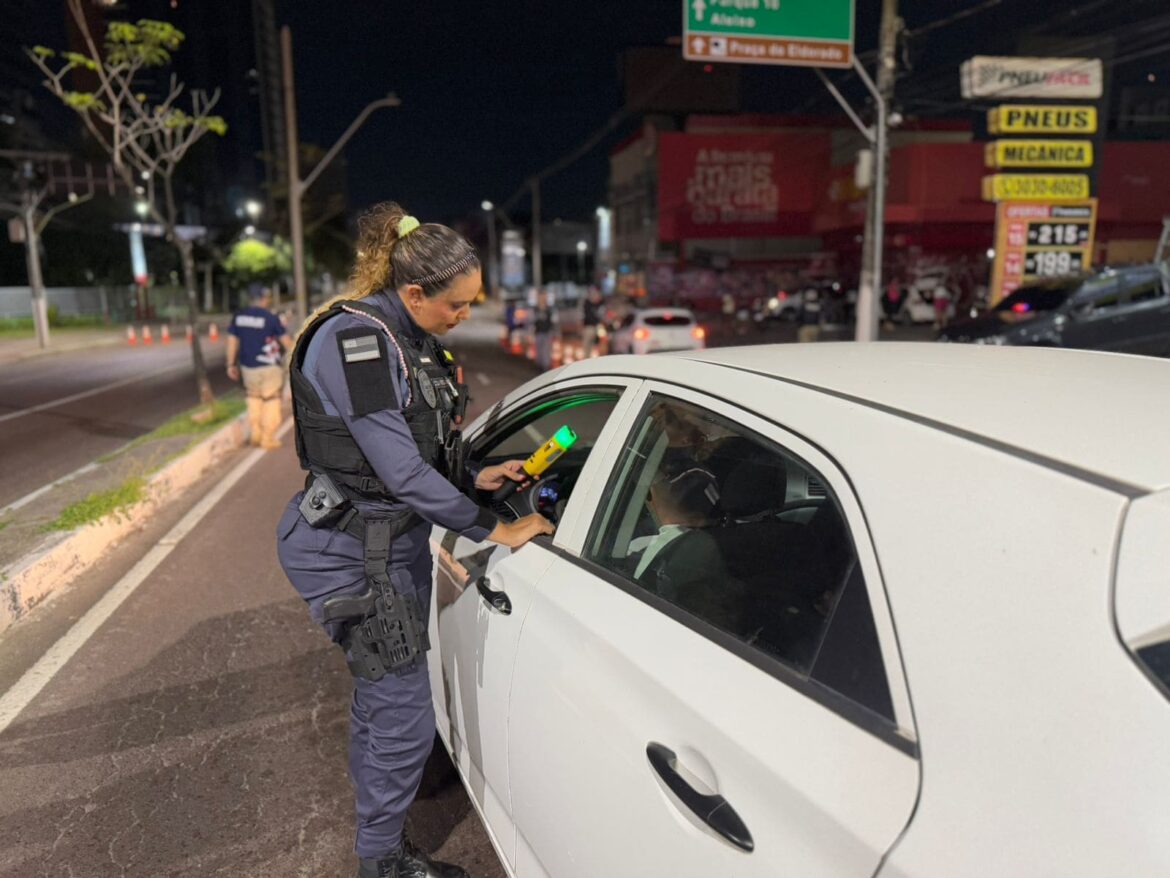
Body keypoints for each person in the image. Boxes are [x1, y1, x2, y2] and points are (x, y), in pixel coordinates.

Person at [276, 203, 554, 878]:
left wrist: (473, 473)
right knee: (401, 710)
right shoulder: (359, 342)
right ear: (413, 293)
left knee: (385, 700)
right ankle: (383, 861)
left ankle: (386, 821)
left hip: (383, 542)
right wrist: (496, 526)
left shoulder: (406, 337)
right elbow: (397, 470)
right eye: (458, 305)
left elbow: (413, 449)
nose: (466, 315)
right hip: (351, 550)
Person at [226, 285, 293, 449]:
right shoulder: (270, 318)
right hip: (269, 368)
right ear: (264, 299)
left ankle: (255, 432)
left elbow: (232, 342)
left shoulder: (239, 317)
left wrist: (230, 364)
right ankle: (267, 438)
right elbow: (286, 342)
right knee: (271, 400)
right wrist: (295, 356)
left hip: (248, 367)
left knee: (254, 397)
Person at [531, 288, 557, 371]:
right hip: (538, 333)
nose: (542, 298)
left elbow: (554, 321)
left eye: (544, 296)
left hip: (547, 332)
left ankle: (545, 368)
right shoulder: (535, 309)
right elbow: (531, 321)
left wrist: (556, 332)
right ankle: (539, 367)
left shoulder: (550, 309)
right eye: (540, 296)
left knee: (546, 351)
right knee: (539, 352)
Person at [581, 286, 603, 358]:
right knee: (587, 347)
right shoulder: (587, 304)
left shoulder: (599, 304)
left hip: (598, 327)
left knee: (597, 346)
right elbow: (586, 317)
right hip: (589, 327)